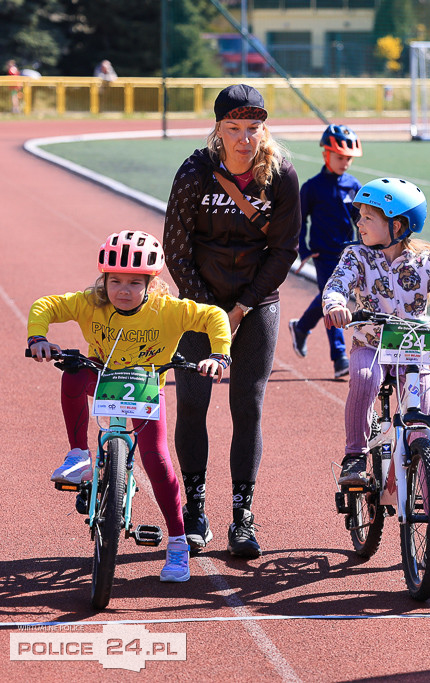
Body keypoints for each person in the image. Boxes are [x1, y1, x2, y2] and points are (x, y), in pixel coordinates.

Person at [27, 230, 231, 583]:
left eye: (135, 282)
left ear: (152, 283)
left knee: (156, 457)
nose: (123, 290)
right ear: (103, 279)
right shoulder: (91, 302)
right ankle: (78, 455)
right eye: (115, 280)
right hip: (102, 375)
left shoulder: (169, 309)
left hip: (147, 385)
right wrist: (38, 337)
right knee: (72, 375)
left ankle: (178, 542)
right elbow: (46, 306)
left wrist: (218, 354)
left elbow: (214, 315)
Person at [323, 177, 430, 567]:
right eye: (360, 216)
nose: (361, 223)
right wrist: (335, 305)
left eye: (369, 217)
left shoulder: (427, 260)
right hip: (370, 342)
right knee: (364, 379)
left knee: (424, 429)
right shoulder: (356, 256)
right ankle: (355, 454)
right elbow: (336, 285)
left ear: (398, 226)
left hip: (413, 345)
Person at [163, 83, 301, 558]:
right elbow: (176, 249)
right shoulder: (195, 172)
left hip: (256, 301)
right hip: (200, 303)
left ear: (264, 128)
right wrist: (209, 312)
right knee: (193, 404)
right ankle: (195, 508)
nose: (245, 138)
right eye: (234, 128)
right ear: (218, 129)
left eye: (253, 127)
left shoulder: (280, 175)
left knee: (248, 406)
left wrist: (242, 308)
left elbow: (284, 250)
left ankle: (242, 516)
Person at [289, 124, 363, 378]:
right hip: (322, 255)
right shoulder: (312, 187)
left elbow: (362, 222)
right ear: (326, 155)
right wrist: (304, 249)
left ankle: (301, 327)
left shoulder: (354, 186)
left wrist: (366, 248)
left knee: (327, 298)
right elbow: (299, 221)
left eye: (348, 159)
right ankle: (340, 357)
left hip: (348, 256)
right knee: (334, 302)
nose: (345, 163)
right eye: (340, 158)